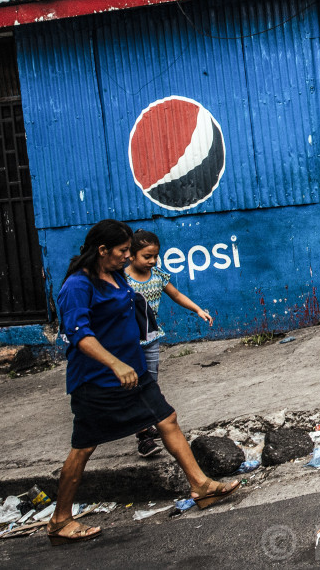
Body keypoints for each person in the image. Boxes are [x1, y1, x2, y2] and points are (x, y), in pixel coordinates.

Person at [50, 220, 239, 546]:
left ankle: (201, 486)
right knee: (83, 448)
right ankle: (59, 520)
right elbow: (80, 336)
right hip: (97, 381)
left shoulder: (117, 275)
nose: (127, 256)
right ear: (102, 250)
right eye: (123, 250)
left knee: (167, 419)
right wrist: (115, 363)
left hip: (134, 374)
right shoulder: (78, 286)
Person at [125, 230, 213, 458]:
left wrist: (197, 310)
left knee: (150, 383)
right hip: (128, 343)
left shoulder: (158, 276)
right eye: (147, 256)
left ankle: (147, 423)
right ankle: (143, 435)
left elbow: (175, 294)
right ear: (131, 256)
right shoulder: (122, 280)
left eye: (155, 256)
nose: (152, 261)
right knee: (136, 386)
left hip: (151, 339)